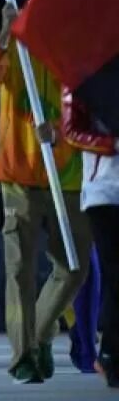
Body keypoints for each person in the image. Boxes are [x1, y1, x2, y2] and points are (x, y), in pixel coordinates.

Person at [0, 3, 92, 384]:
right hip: (18, 175)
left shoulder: (76, 55)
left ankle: (40, 333)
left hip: (69, 177)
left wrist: (61, 134)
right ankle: (22, 356)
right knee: (19, 270)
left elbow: (93, 110)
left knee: (74, 268)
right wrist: (5, 34)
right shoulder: (15, 51)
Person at [62, 87, 119, 388]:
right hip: (103, 191)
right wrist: (110, 143)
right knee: (113, 272)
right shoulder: (83, 75)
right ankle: (108, 353)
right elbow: (71, 130)